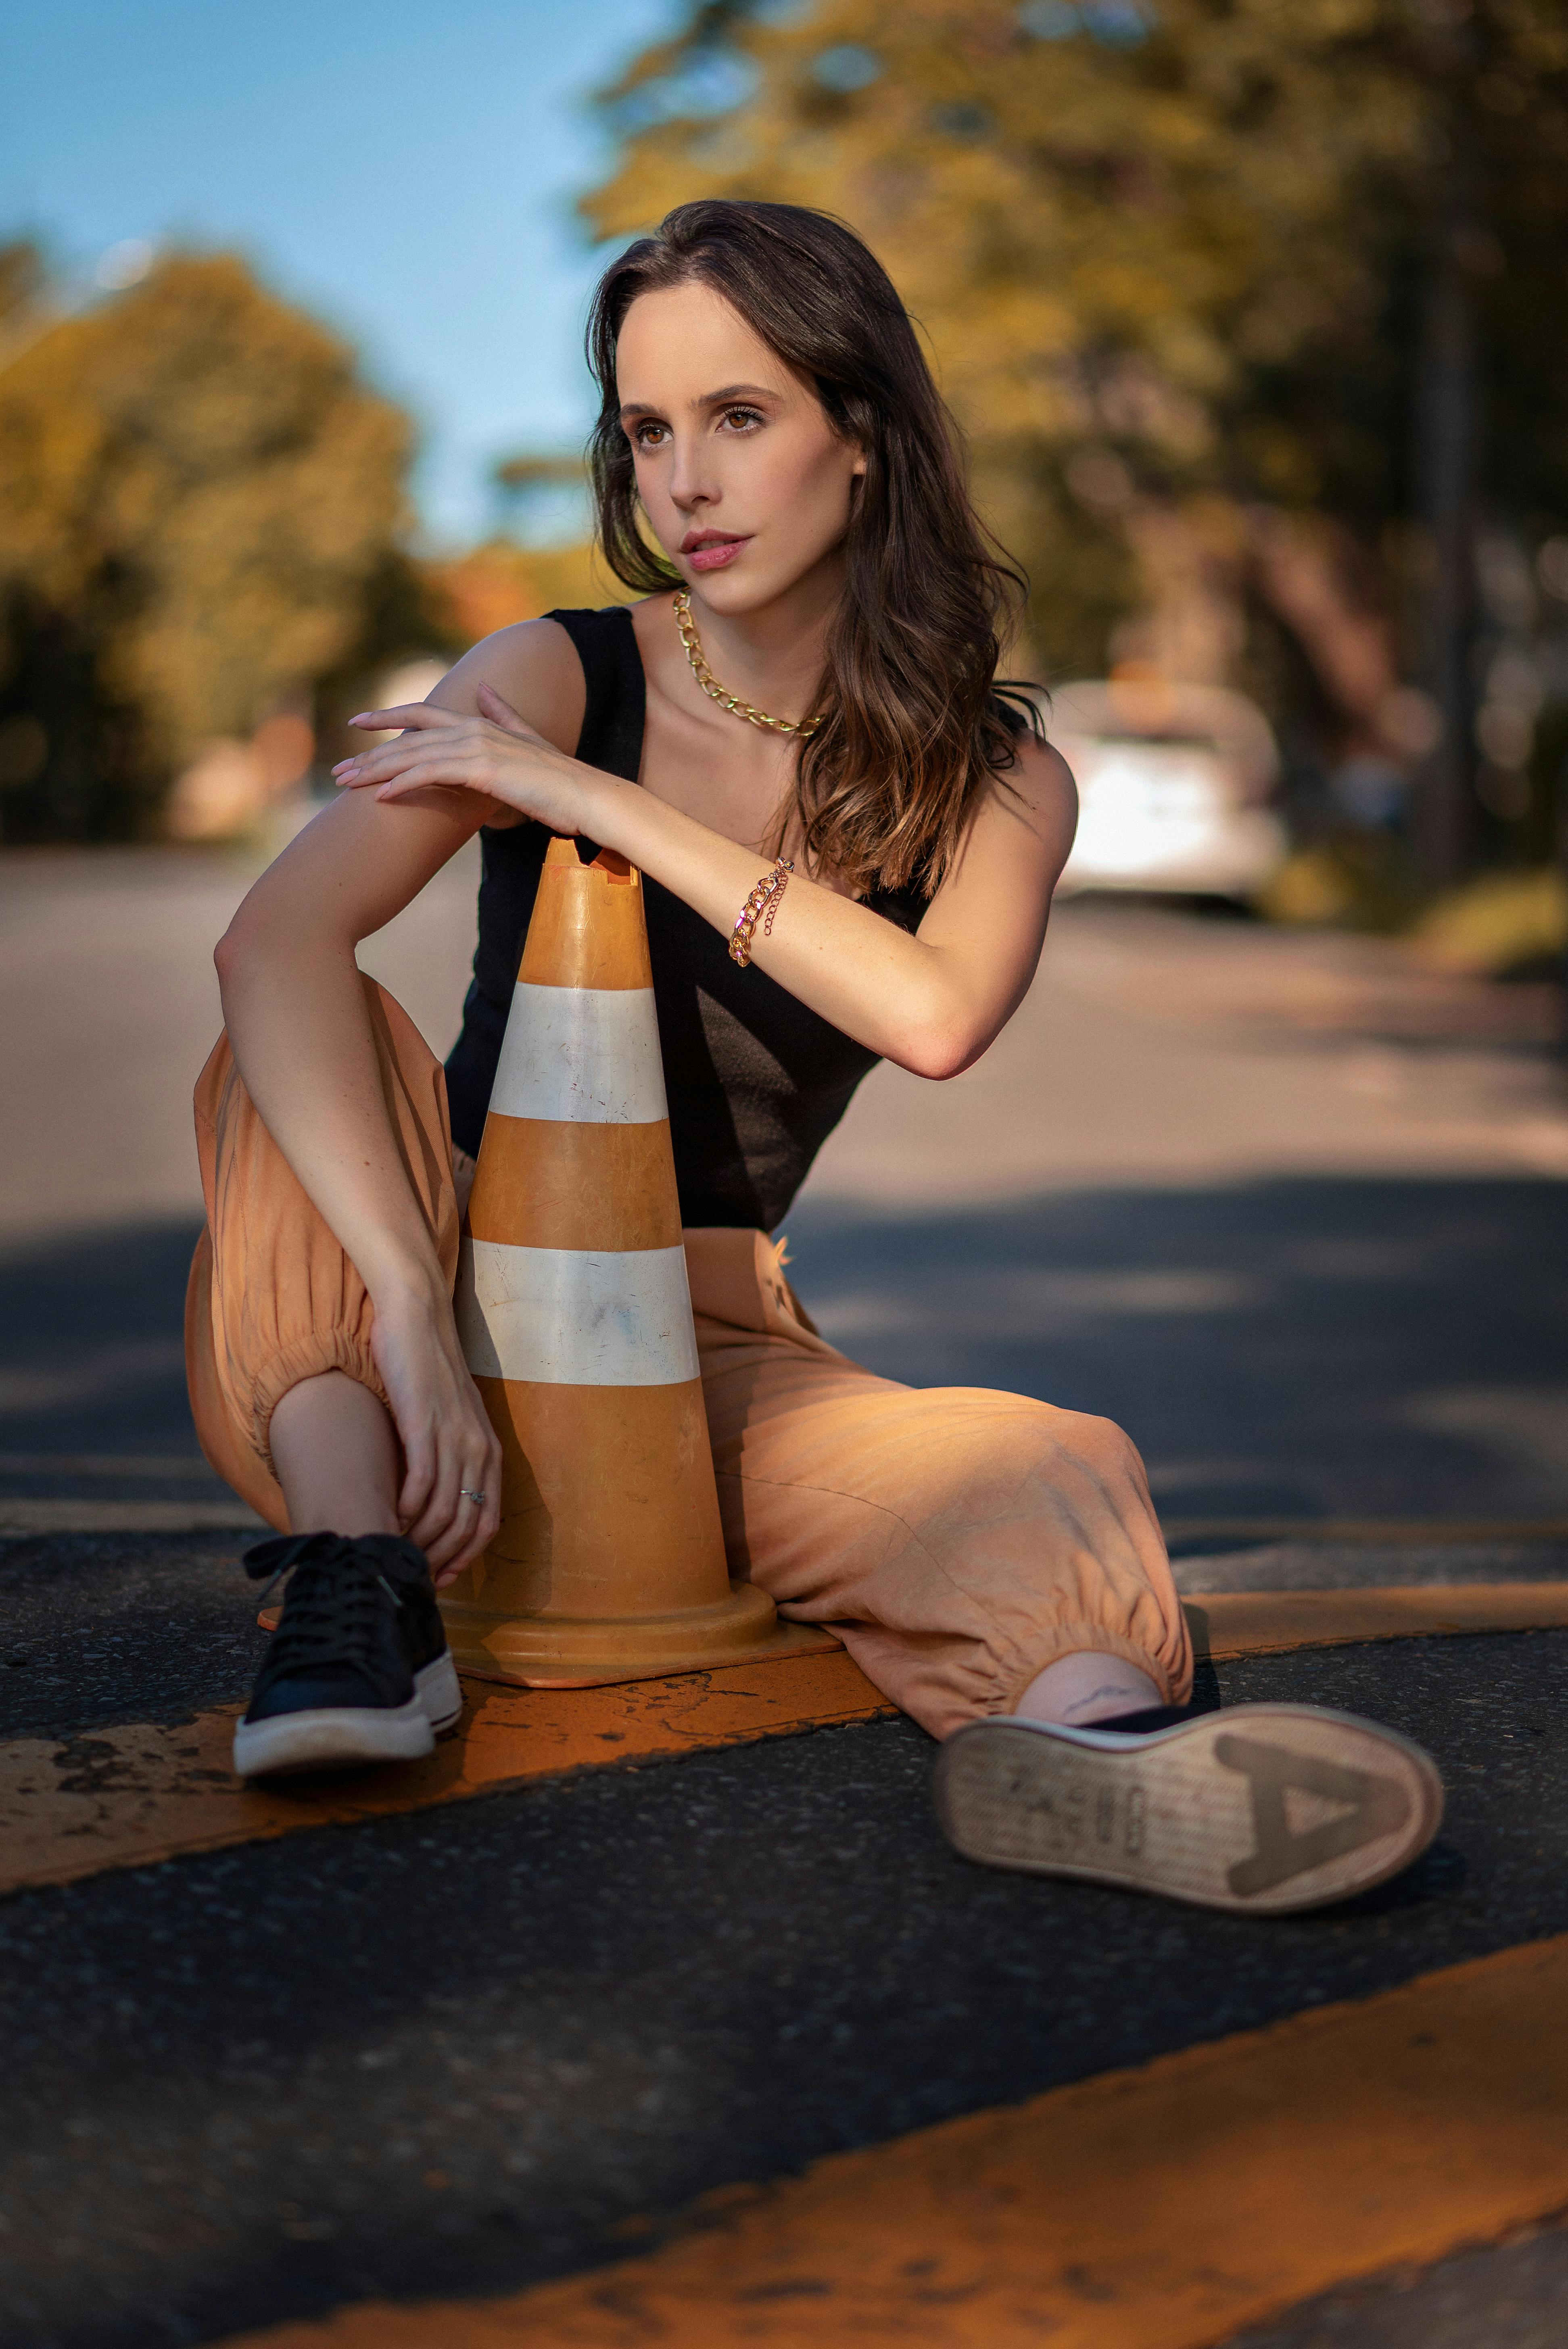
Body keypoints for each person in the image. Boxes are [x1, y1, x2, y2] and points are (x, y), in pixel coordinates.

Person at [188, 200, 1442, 1910]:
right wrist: (413, 1302)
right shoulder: (556, 671)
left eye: (740, 417)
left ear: (863, 440)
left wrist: (603, 807)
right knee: (276, 1072)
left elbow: (932, 1018)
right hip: (395, 1308)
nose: (681, 482)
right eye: (646, 432)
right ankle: (357, 1595)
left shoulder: (1003, 779)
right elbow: (271, 945)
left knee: (1041, 1461)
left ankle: (1099, 1761)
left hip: (690, 1345)